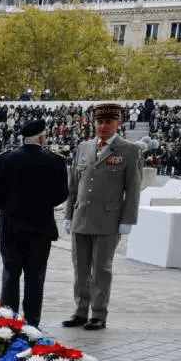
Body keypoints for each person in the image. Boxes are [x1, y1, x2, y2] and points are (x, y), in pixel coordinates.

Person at [62, 102, 142, 331]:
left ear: (118, 123)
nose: (103, 126)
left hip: (108, 220)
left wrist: (128, 219)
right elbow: (74, 185)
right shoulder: (84, 147)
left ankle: (98, 314)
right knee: (80, 268)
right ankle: (80, 311)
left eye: (108, 122)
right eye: (99, 122)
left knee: (101, 270)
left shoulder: (129, 150)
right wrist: (69, 214)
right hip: (81, 217)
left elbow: (133, 188)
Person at [0, 118, 69, 328]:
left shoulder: (5, 160)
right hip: (41, 228)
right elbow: (61, 194)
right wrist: (41, 206)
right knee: (35, 277)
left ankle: (8, 321)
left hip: (11, 228)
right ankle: (32, 322)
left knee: (10, 275)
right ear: (41, 138)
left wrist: (10, 209)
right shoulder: (55, 161)